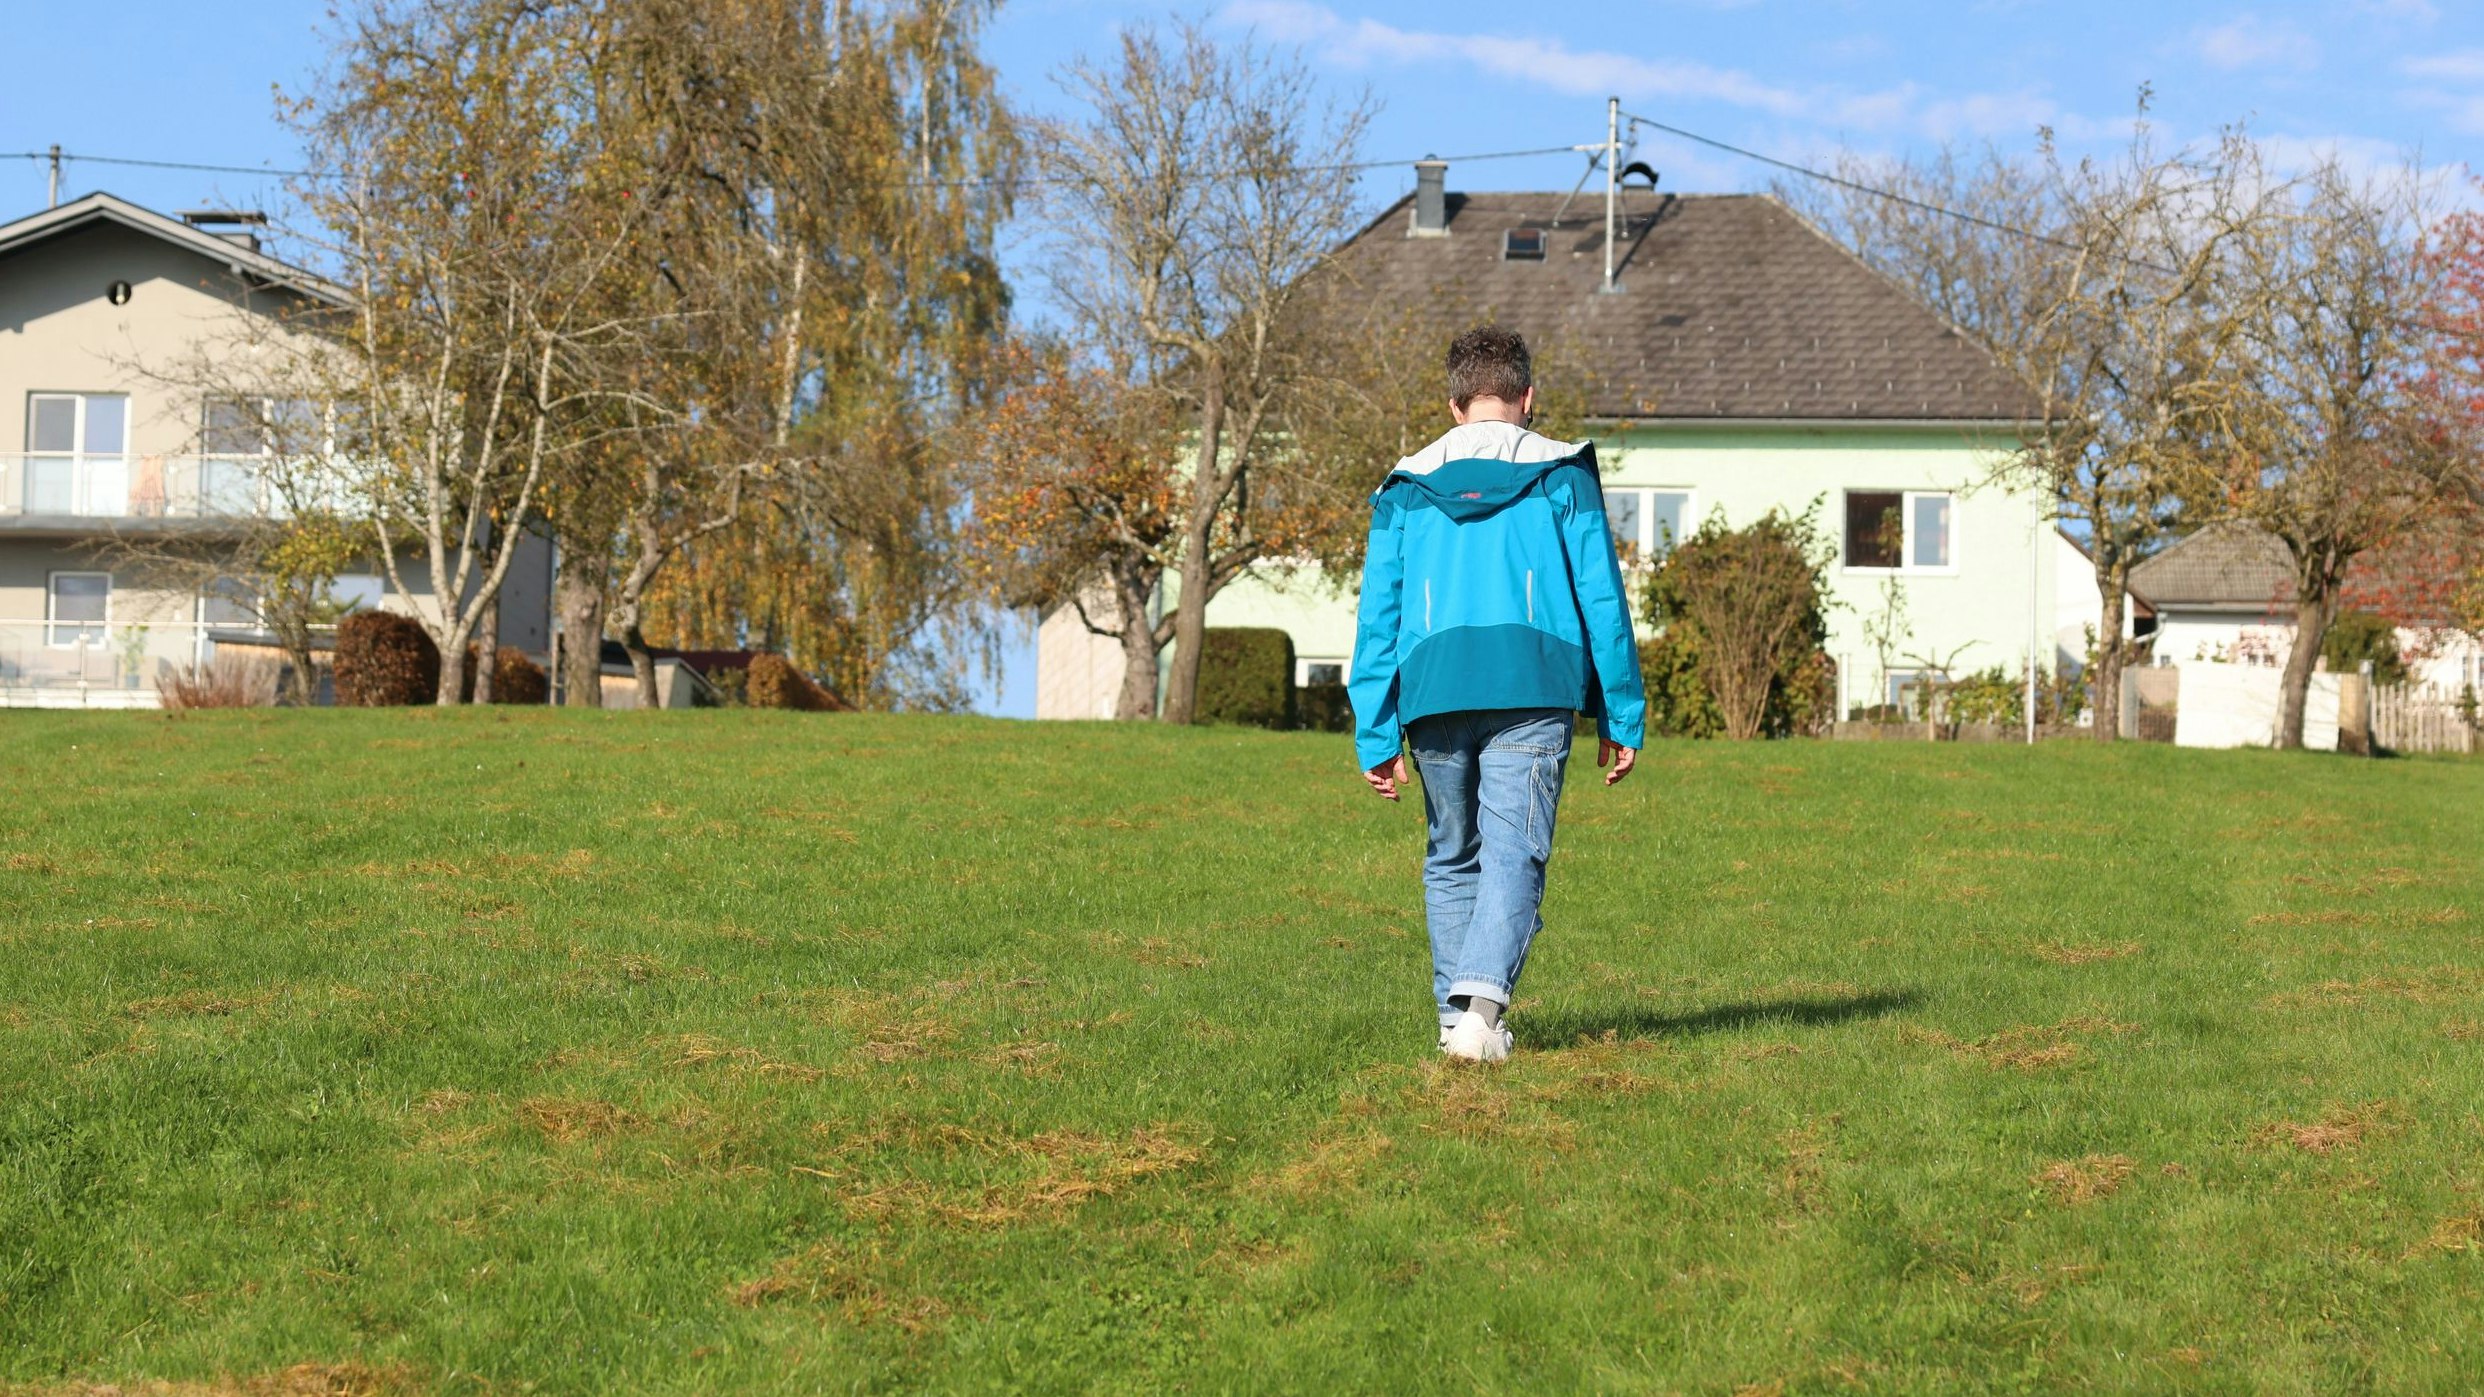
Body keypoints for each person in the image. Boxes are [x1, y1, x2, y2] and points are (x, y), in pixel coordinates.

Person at [1347, 325, 1646, 1063]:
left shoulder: (1404, 485)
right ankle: (1480, 1013)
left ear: (1454, 405)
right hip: (1533, 681)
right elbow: (1601, 600)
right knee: (1514, 852)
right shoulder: (1562, 472)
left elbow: (1378, 613)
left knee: (1452, 854)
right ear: (1528, 397)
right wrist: (1621, 711)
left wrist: (1375, 733)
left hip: (1433, 686)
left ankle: (1460, 1026)